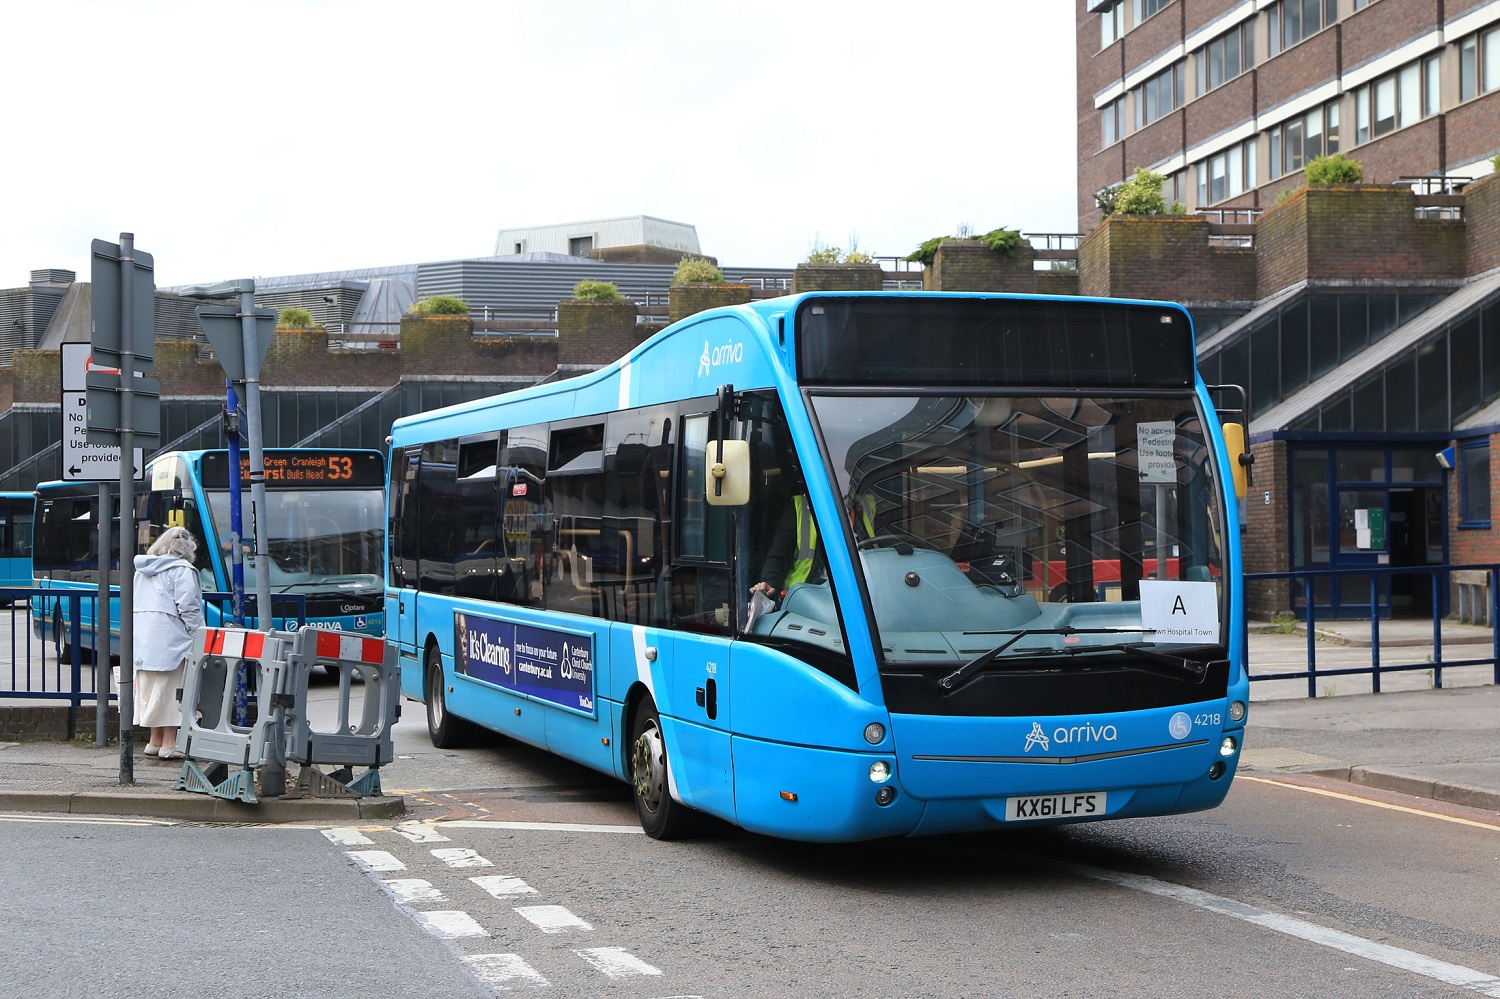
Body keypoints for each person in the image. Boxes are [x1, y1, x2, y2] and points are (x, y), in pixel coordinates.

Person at [132, 526, 204, 760]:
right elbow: (188, 606)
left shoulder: (142, 570)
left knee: (152, 690)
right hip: (171, 639)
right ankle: (170, 744)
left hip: (144, 638)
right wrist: (198, 633)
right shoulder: (182, 570)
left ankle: (154, 741)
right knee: (173, 692)